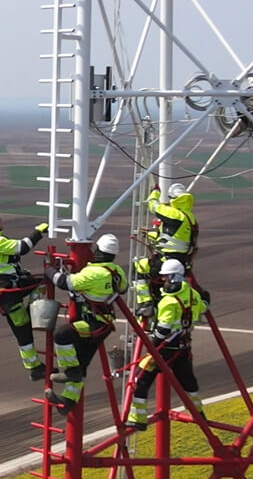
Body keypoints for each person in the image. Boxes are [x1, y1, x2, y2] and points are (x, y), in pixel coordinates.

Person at [42, 234, 128, 415]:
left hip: (91, 324)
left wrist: (49, 271)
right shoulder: (117, 271)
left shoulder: (93, 273)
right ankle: (68, 401)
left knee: (62, 335)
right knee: (82, 363)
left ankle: (70, 370)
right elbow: (123, 288)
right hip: (104, 324)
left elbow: (65, 283)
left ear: (98, 251)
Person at [125, 259, 206, 431]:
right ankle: (198, 413)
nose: (163, 280)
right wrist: (207, 299)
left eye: (166, 277)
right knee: (188, 383)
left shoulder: (169, 302)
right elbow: (203, 308)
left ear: (173, 277)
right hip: (183, 348)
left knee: (139, 379)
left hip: (165, 351)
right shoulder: (193, 295)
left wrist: (151, 347)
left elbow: (163, 330)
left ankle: (137, 418)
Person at [0, 204, 48, 381]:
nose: (2, 219)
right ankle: (34, 366)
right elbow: (23, 247)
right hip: (8, 291)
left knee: (22, 324)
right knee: (22, 328)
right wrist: (38, 232)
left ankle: (34, 364)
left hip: (6, 290)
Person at [134, 182, 198, 319]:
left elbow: (153, 205)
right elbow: (175, 237)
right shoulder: (190, 217)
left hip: (166, 262)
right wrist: (150, 234)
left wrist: (155, 192)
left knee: (138, 267)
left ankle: (145, 303)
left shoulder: (174, 214)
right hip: (182, 263)